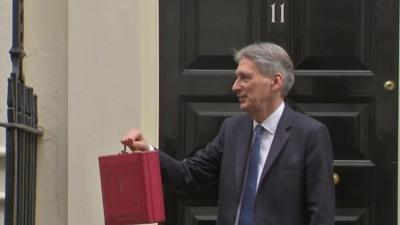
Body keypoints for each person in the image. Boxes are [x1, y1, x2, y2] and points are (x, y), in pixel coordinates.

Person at [121, 42, 335, 225]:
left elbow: (321, 214)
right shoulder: (232, 129)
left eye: (245, 78)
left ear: (276, 81)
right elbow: (189, 175)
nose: (235, 86)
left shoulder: (310, 134)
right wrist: (147, 151)